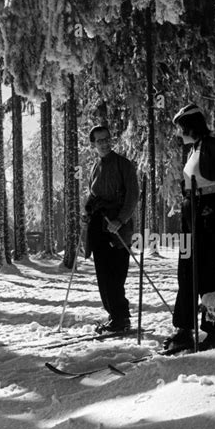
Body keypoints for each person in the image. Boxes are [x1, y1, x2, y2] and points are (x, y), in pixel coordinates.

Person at [163, 103, 215, 353]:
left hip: (210, 216)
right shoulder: (193, 151)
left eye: (180, 127)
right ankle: (184, 330)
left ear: (190, 126)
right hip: (191, 216)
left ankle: (213, 331)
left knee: (209, 274)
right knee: (187, 270)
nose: (178, 133)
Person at [84, 125, 139, 333]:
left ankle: (121, 318)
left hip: (118, 229)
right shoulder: (94, 167)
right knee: (103, 275)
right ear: (93, 144)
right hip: (99, 226)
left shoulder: (123, 164)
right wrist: (87, 213)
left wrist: (121, 220)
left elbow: (133, 195)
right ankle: (113, 316)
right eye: (99, 141)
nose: (104, 143)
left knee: (116, 275)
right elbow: (92, 197)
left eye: (107, 139)